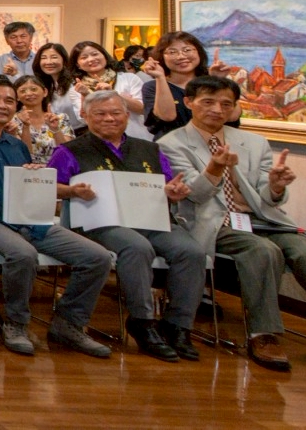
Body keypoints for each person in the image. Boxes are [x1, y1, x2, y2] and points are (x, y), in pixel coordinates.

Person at [161, 76, 306, 373]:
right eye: (208, 102)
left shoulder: (253, 142)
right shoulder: (170, 144)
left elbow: (268, 196)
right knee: (262, 251)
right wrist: (214, 167)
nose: (217, 110)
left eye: (226, 104)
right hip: (216, 221)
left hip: (262, 220)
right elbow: (194, 195)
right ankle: (263, 334)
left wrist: (276, 186)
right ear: (189, 103)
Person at [0, 75, 113, 358]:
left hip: (28, 219)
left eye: (9, 100)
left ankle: (68, 324)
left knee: (98, 257)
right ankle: (16, 324)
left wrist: (37, 178)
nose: (2, 105)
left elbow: (26, 188)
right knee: (23, 254)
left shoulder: (16, 144)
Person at [49, 90, 205, 362]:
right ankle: (143, 322)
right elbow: (50, 186)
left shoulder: (149, 149)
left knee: (191, 252)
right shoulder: (70, 150)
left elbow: (168, 184)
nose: (109, 119)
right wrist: (72, 191)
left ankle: (178, 325)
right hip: (98, 222)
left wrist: (174, 191)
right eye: (100, 114)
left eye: (115, 113)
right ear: (85, 115)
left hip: (151, 219)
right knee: (136, 247)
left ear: (126, 115)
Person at [141, 31, 223, 138]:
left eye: (187, 50)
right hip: (172, 146)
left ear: (199, 52)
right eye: (172, 52)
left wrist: (219, 80)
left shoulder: (210, 82)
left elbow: (233, 116)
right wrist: (160, 77)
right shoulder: (152, 87)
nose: (181, 56)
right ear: (161, 57)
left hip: (212, 144)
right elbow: (167, 116)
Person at [67, 41, 148, 139]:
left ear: (104, 56)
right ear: (78, 65)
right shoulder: (77, 89)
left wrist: (114, 94)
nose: (91, 59)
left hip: (134, 136)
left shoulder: (129, 78)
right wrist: (85, 95)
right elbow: (84, 120)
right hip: (100, 140)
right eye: (84, 57)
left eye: (95, 54)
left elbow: (142, 109)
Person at [30, 43, 80, 129]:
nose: (48, 62)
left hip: (79, 132)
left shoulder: (75, 83)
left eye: (54, 57)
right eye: (44, 58)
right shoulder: (45, 86)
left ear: (64, 60)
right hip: (56, 132)